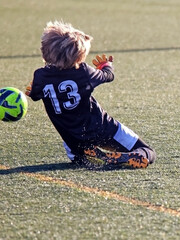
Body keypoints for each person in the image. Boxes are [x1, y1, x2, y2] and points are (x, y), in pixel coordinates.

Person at [25, 21, 156, 169]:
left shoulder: (40, 76)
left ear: (45, 50)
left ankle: (89, 156)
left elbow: (35, 95)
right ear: (79, 55)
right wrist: (106, 66)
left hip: (74, 140)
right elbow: (108, 76)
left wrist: (32, 91)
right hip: (102, 127)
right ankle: (127, 156)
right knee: (148, 151)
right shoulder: (84, 72)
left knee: (79, 158)